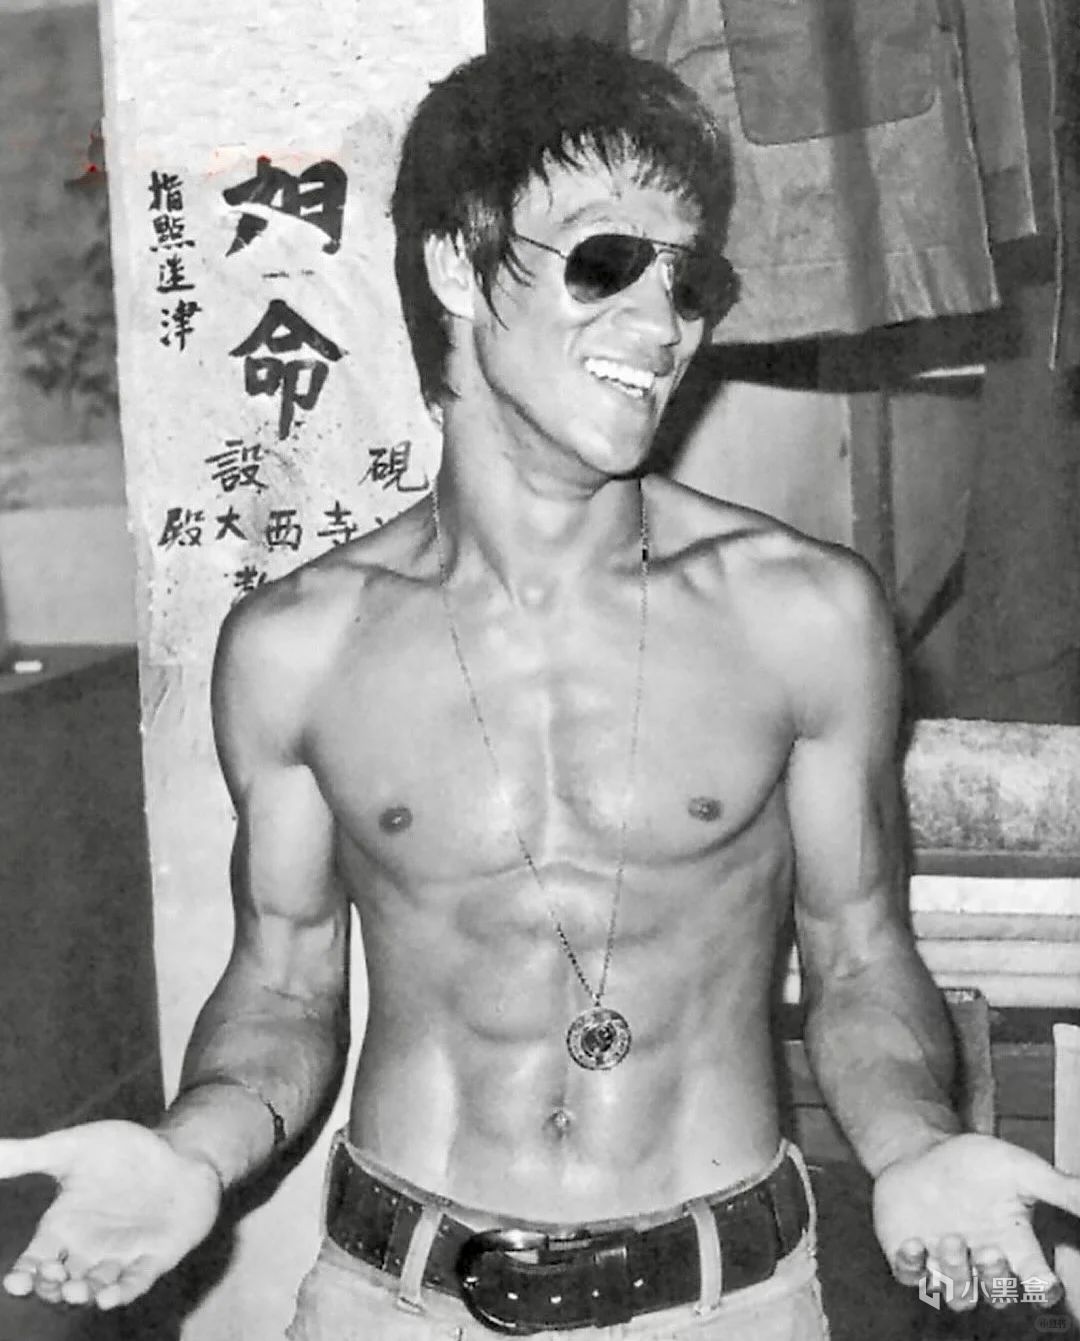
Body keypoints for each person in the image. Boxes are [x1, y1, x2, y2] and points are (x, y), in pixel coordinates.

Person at [1, 35, 1078, 1340]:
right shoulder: (298, 647)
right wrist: (191, 1152)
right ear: (459, 263)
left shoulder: (803, 615)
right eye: (605, 263)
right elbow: (281, 989)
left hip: (724, 1306)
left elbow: (859, 954)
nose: (663, 324)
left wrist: (916, 1143)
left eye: (689, 279)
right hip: (394, 1303)